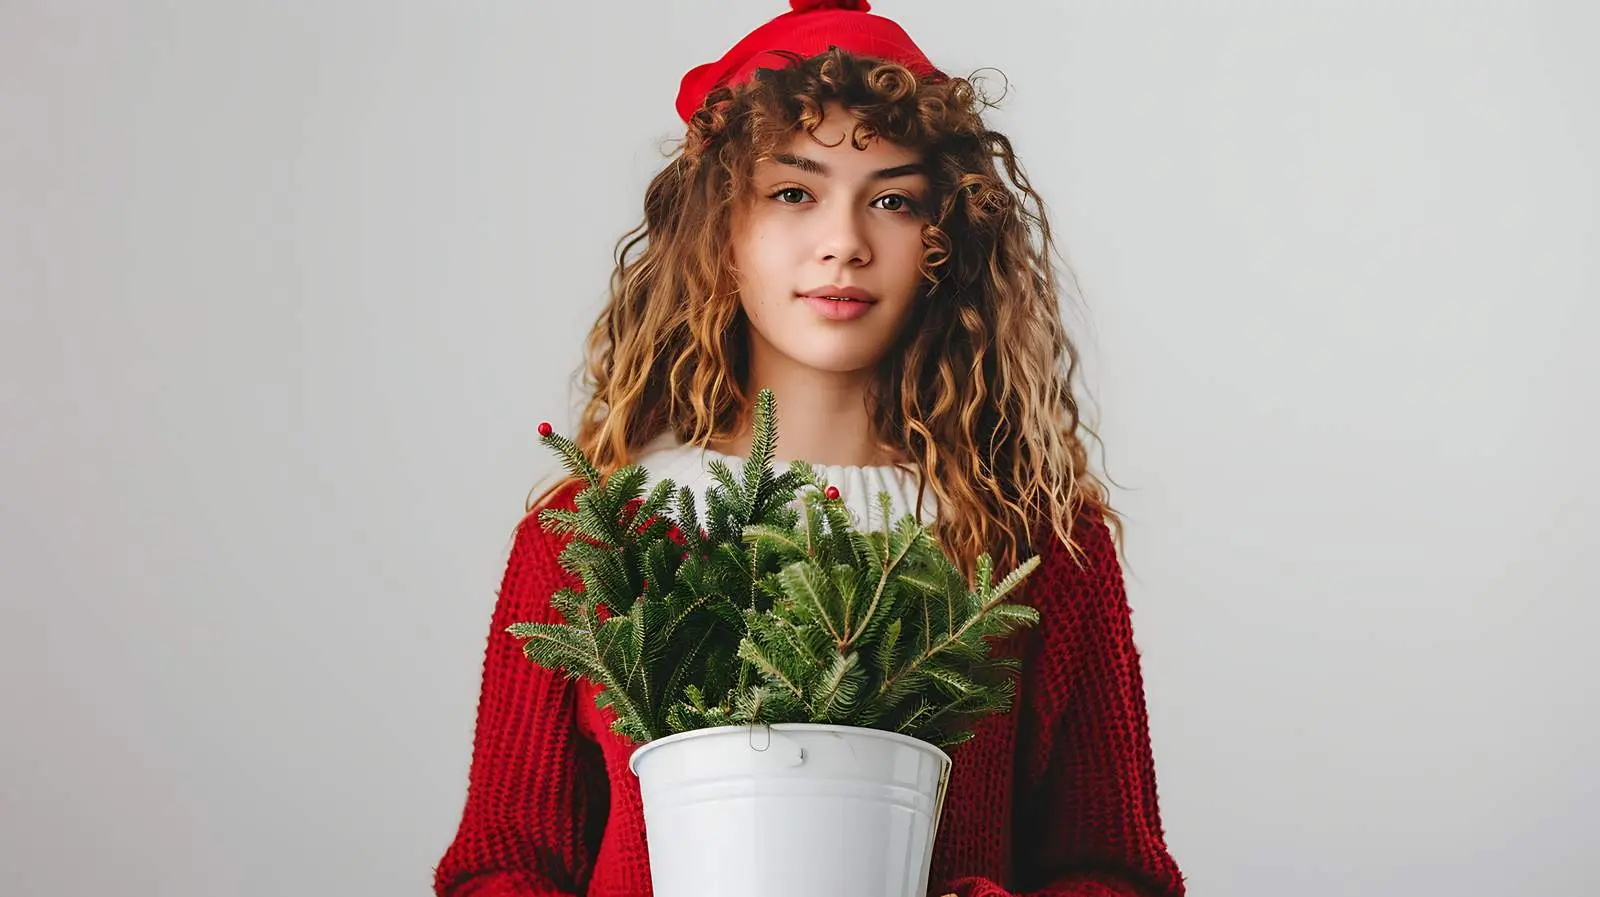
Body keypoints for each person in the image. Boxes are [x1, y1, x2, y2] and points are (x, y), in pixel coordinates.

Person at [434, 2, 1186, 895]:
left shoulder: (1035, 546)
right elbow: (503, 864)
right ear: (720, 229)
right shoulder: (594, 533)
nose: (845, 244)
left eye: (893, 201)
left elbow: (1113, 871)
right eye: (794, 192)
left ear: (945, 240)